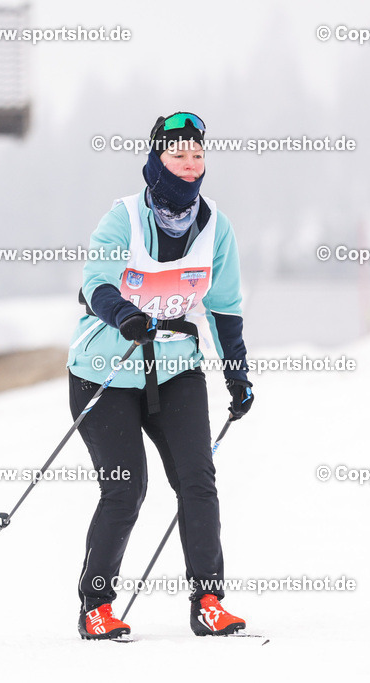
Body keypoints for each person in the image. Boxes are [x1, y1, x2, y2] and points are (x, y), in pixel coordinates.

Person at [67, 112, 255, 640]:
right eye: (178, 155)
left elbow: (225, 308)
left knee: (198, 483)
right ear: (156, 159)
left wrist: (236, 375)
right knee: (126, 488)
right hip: (105, 370)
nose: (190, 165)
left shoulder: (216, 226)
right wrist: (124, 314)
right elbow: (97, 282)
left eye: (197, 155)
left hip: (175, 369)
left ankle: (209, 601)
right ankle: (96, 607)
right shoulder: (122, 218)